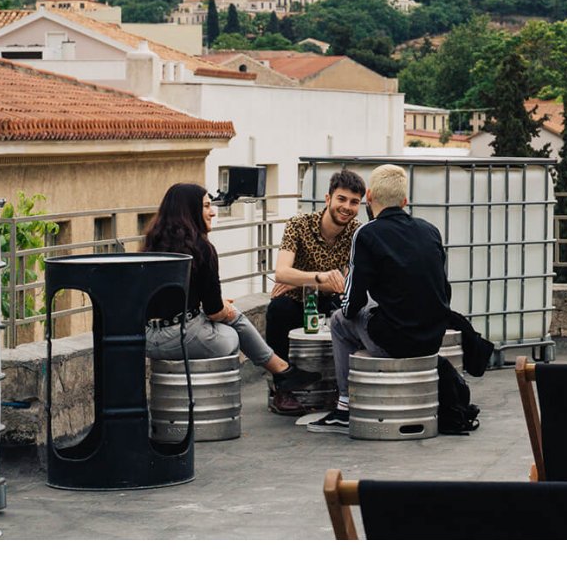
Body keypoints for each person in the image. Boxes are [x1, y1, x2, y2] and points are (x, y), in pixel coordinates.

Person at [308, 164, 452, 435]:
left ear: (369, 197)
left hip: (396, 344)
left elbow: (352, 305)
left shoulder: (367, 233)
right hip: (433, 339)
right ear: (405, 201)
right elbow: (444, 289)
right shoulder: (430, 230)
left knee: (338, 321)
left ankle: (344, 406)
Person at [143, 182, 320, 395]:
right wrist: (224, 308)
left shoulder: (151, 246)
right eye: (207, 206)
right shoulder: (202, 249)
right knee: (230, 335)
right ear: (190, 210)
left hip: (148, 338)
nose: (213, 212)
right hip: (180, 336)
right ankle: (279, 373)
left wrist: (219, 307)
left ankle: (282, 371)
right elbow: (214, 312)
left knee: (231, 318)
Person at [264, 169, 365, 415]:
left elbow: (342, 284)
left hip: (331, 302)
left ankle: (339, 391)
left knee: (351, 315)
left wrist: (299, 279)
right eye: (341, 199)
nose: (347, 207)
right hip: (296, 303)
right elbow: (281, 273)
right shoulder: (299, 225)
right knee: (277, 310)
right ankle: (282, 390)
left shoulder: (358, 232)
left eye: (354, 202)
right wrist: (319, 277)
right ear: (328, 198)